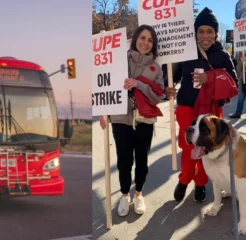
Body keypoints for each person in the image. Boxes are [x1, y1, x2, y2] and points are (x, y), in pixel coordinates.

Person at [165, 7, 238, 203]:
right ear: (195, 33)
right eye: (201, 31)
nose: (205, 35)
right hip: (187, 107)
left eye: (210, 31)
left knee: (206, 149)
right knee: (189, 148)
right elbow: (172, 76)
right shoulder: (185, 51)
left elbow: (234, 84)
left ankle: (200, 183)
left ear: (216, 33)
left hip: (211, 112)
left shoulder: (223, 56)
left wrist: (210, 78)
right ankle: (184, 180)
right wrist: (167, 87)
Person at [99, 24, 165, 216]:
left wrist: (139, 84)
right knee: (124, 160)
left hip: (144, 120)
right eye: (142, 38)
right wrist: (105, 114)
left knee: (142, 161)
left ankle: (138, 194)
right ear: (135, 39)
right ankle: (125, 194)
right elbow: (104, 86)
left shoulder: (156, 68)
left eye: (150, 40)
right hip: (121, 120)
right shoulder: (118, 61)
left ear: (153, 45)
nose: (145, 42)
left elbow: (157, 96)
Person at [229, 51, 246, 120]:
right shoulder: (241, 61)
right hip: (243, 83)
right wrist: (242, 62)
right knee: (240, 99)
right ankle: (238, 113)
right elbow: (238, 72)